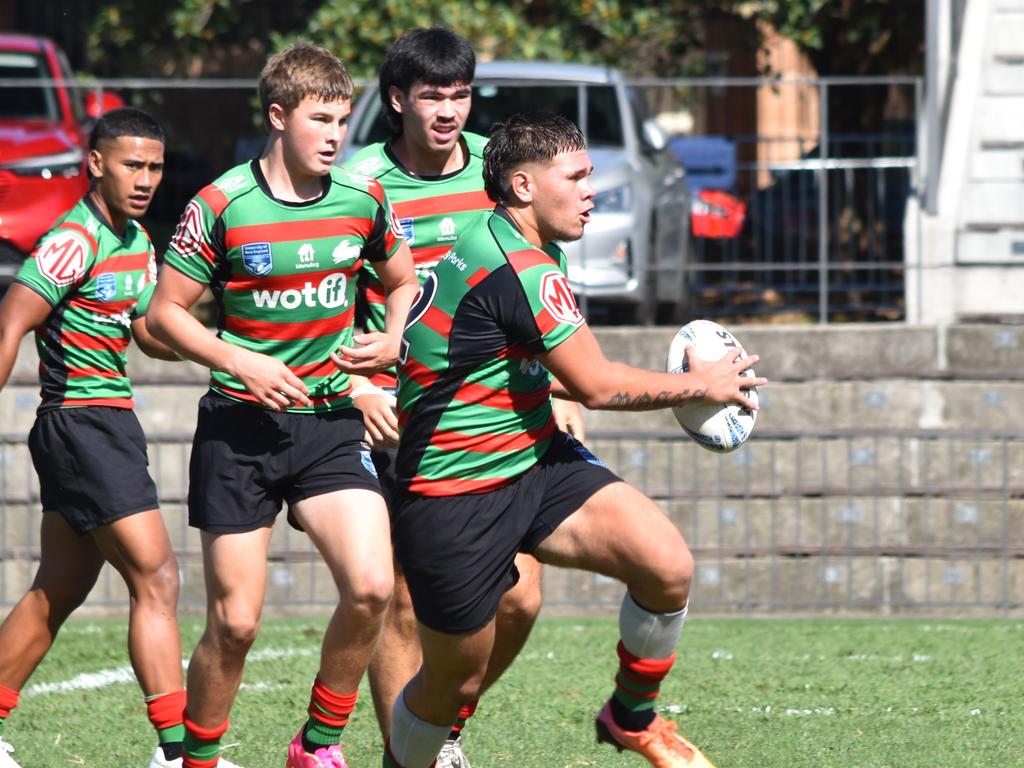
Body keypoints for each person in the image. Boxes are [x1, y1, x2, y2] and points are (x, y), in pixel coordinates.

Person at [382, 111, 767, 768]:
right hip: (454, 490)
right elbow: (596, 386)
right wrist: (699, 384)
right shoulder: (517, 266)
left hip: (534, 456)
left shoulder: (526, 245)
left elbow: (500, 364)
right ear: (525, 186)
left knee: (667, 566)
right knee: (454, 682)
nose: (593, 190)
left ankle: (630, 716)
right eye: (578, 176)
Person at [146, 42, 418, 768]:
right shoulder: (223, 204)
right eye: (320, 118)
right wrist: (239, 359)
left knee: (371, 587)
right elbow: (164, 312)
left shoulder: (363, 198)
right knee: (235, 626)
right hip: (239, 429)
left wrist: (391, 337)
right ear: (278, 116)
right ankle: (196, 760)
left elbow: (402, 277)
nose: (336, 135)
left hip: (329, 423)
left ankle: (317, 745)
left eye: (343, 119)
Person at [344, 27, 584, 768]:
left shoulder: (499, 167)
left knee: (520, 596)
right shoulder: (360, 183)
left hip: (501, 413)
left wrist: (567, 383)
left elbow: (545, 273)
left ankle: (441, 728)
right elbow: (308, 303)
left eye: (460, 95)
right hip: (394, 417)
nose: (448, 111)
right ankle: (406, 756)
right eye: (431, 96)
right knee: (404, 601)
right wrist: (353, 385)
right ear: (397, 101)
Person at [0, 107, 227, 768]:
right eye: (133, 164)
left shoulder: (134, 239)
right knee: (156, 577)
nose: (146, 178)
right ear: (95, 163)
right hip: (81, 422)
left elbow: (150, 331)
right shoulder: (76, 239)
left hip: (109, 423)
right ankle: (179, 754)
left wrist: (226, 350)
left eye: (155, 167)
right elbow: (14, 315)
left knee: (57, 590)